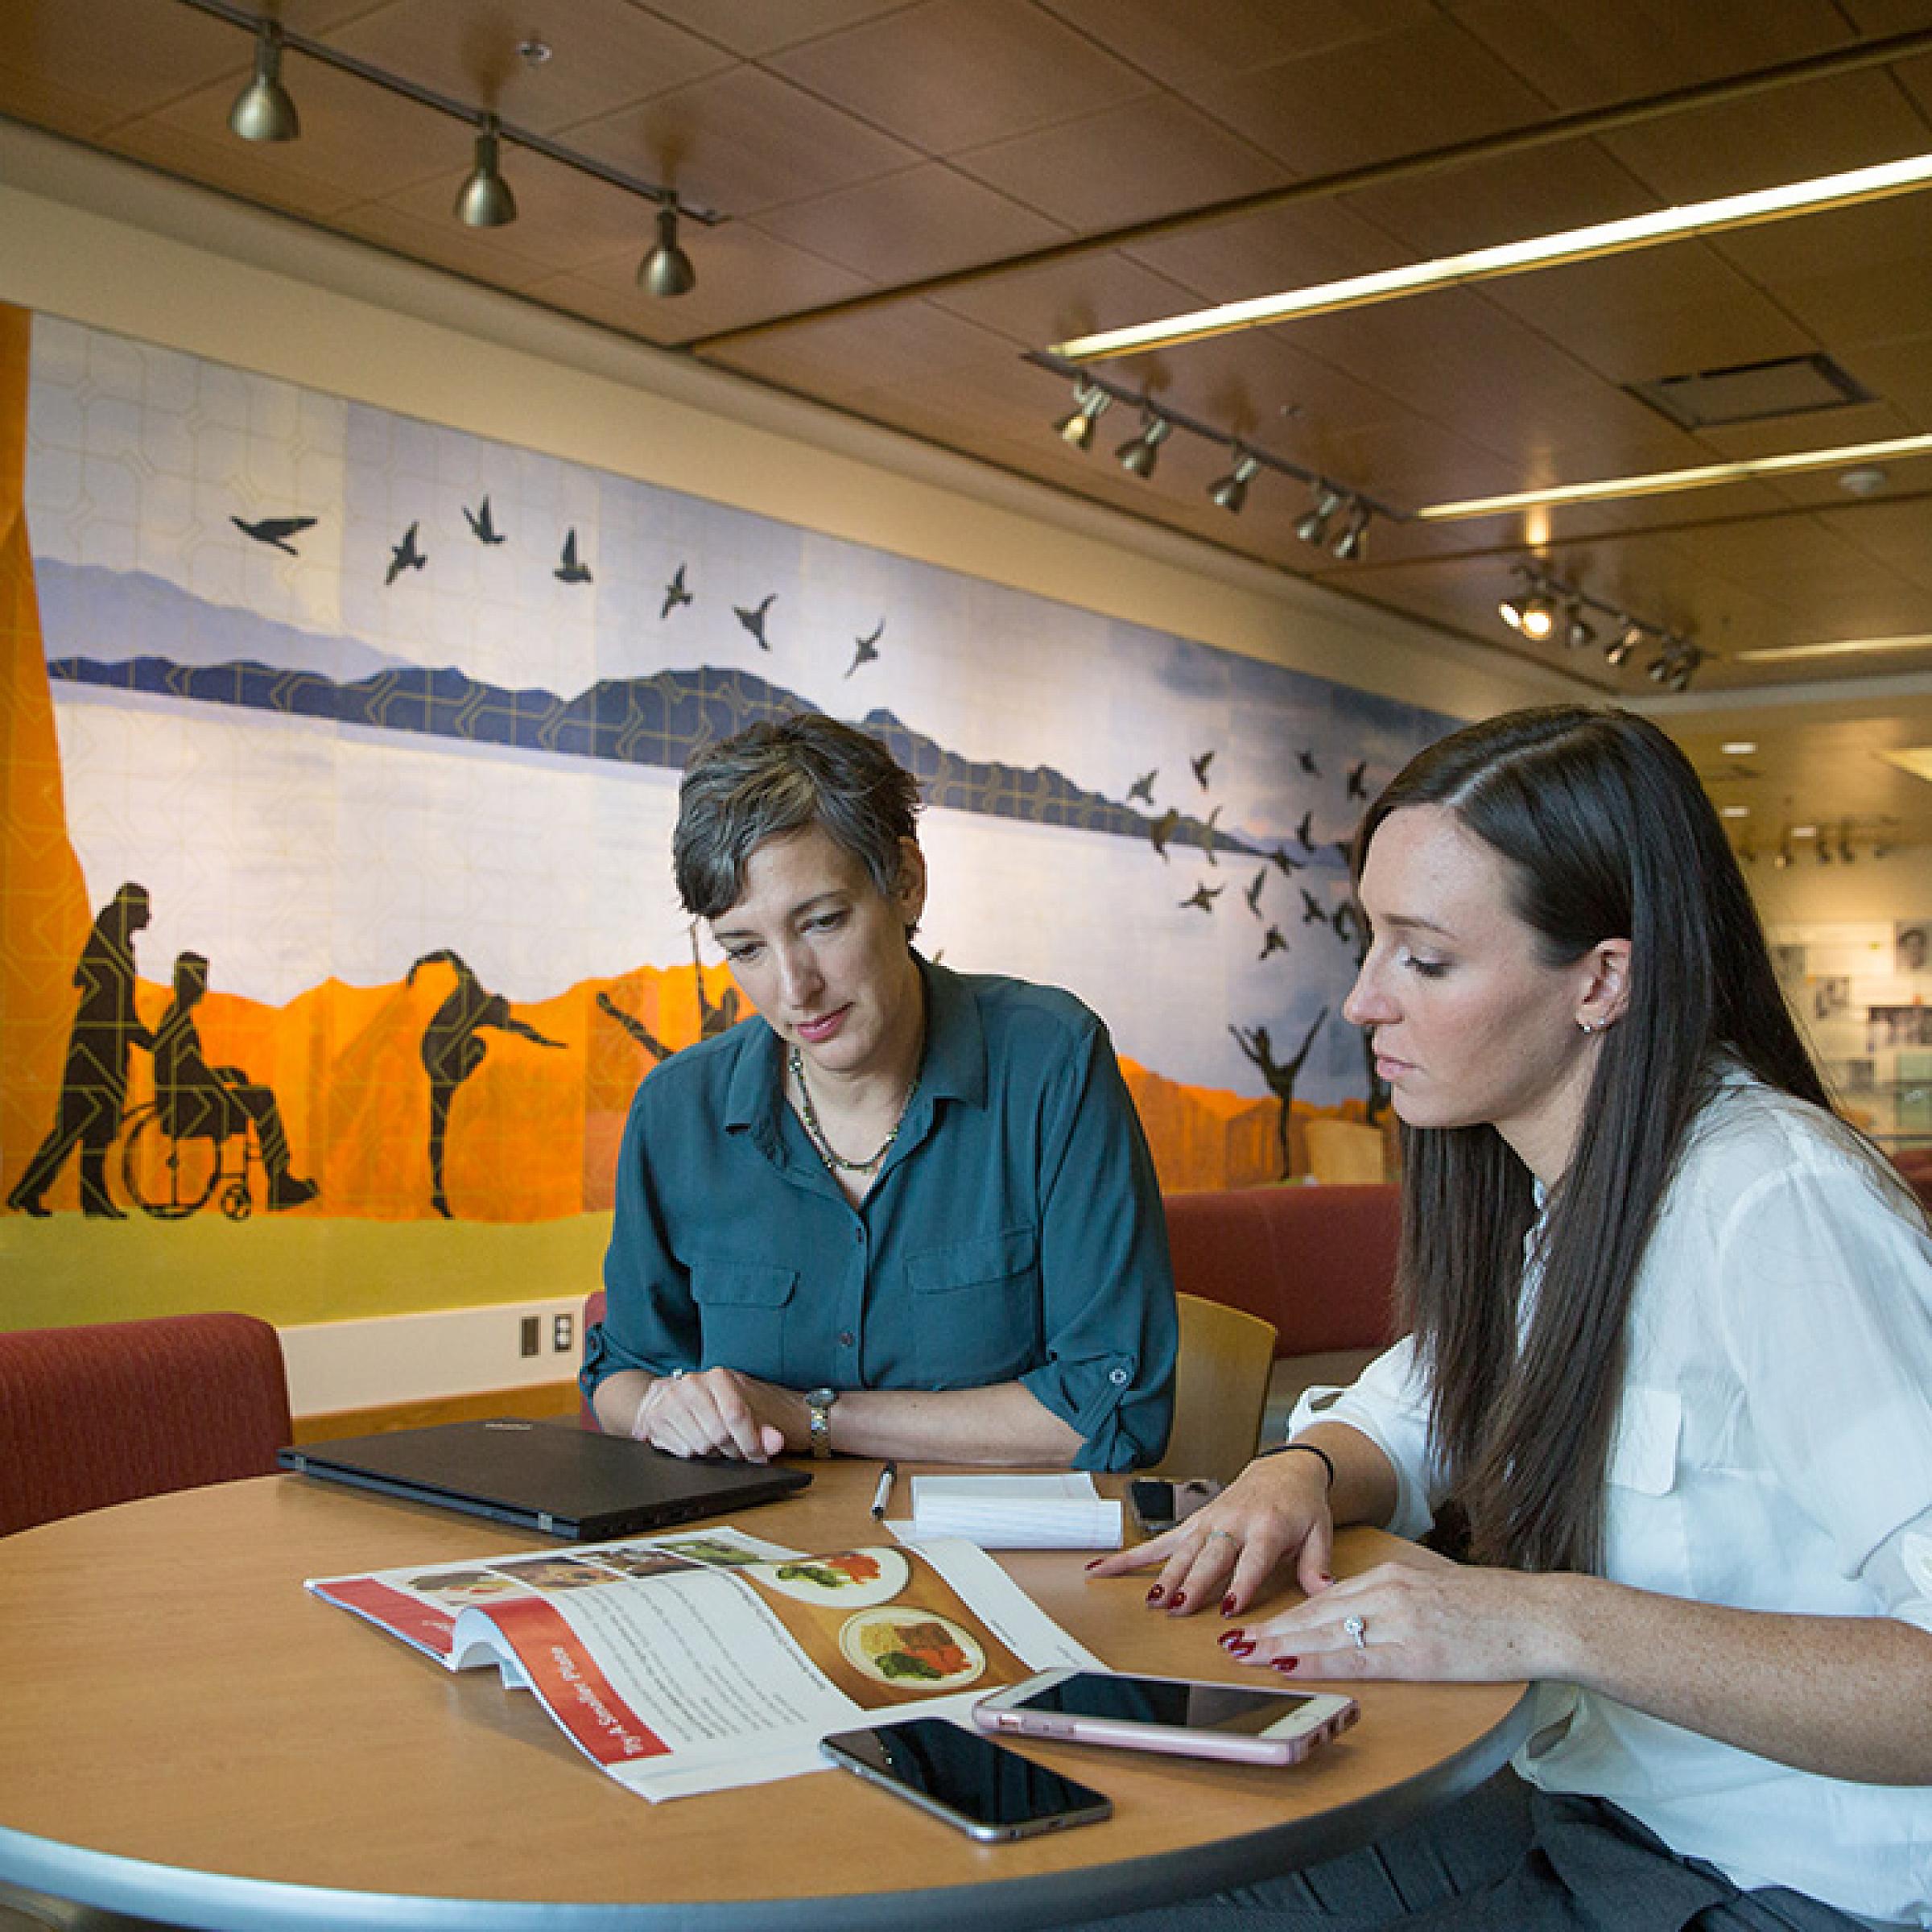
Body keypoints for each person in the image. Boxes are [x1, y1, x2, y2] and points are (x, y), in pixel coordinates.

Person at [1089, 707, 1932, 1931]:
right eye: (1370, 942)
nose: (1365, 1002)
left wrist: (1545, 1617)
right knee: (1135, 1872)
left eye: (1424, 960)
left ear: (1600, 979)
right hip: (1587, 1810)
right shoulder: (1563, 1194)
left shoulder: (1772, 1205)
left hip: (1783, 1886)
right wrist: (1300, 1468)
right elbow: (1422, 1405)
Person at [581, 712, 1176, 1471]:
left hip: (1000, 1560)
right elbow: (621, 1373)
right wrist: (665, 1406)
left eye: (823, 922)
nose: (795, 988)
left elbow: (1111, 1410)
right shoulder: (676, 1110)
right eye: (746, 950)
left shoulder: (1051, 1061)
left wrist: (807, 1418)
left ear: (906, 882)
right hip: (750, 1559)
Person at [8, 881, 154, 1218]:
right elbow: (118, 1009)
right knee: (80, 1125)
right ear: (129, 911)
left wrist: (144, 1039)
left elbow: (117, 1008)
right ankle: (38, 1192)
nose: (149, 914)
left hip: (101, 1048)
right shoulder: (114, 950)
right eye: (143, 907)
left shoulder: (114, 945)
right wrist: (151, 1041)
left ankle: (79, 1197)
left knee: (91, 1127)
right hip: (98, 1052)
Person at [153, 952, 317, 1212]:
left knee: (255, 1094)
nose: (203, 987)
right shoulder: (177, 1025)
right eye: (198, 980)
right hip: (188, 1110)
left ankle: (278, 1177)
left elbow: (192, 1071)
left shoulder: (175, 1020)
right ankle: (279, 1180)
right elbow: (190, 1076)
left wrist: (228, 1076)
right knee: (262, 1099)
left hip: (191, 1102)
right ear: (183, 982)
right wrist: (223, 1087)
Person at [407, 949, 564, 1218]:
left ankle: (438, 1191)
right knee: (479, 1045)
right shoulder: (473, 988)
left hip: (437, 1058)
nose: (500, 1019)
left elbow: (520, 1027)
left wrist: (545, 1040)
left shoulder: (482, 1004)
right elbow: (449, 954)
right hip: (439, 1055)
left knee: (439, 1126)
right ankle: (437, 1190)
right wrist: (418, 964)